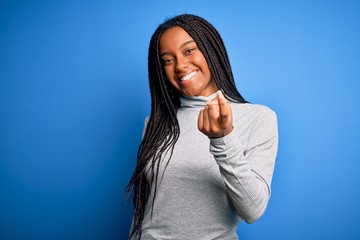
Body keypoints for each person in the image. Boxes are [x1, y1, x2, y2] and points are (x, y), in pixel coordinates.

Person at [126, 14, 278, 240]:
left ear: (211, 50)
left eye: (189, 50)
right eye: (167, 60)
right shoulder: (155, 124)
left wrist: (222, 139)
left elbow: (253, 210)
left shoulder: (257, 118)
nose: (180, 65)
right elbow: (146, 211)